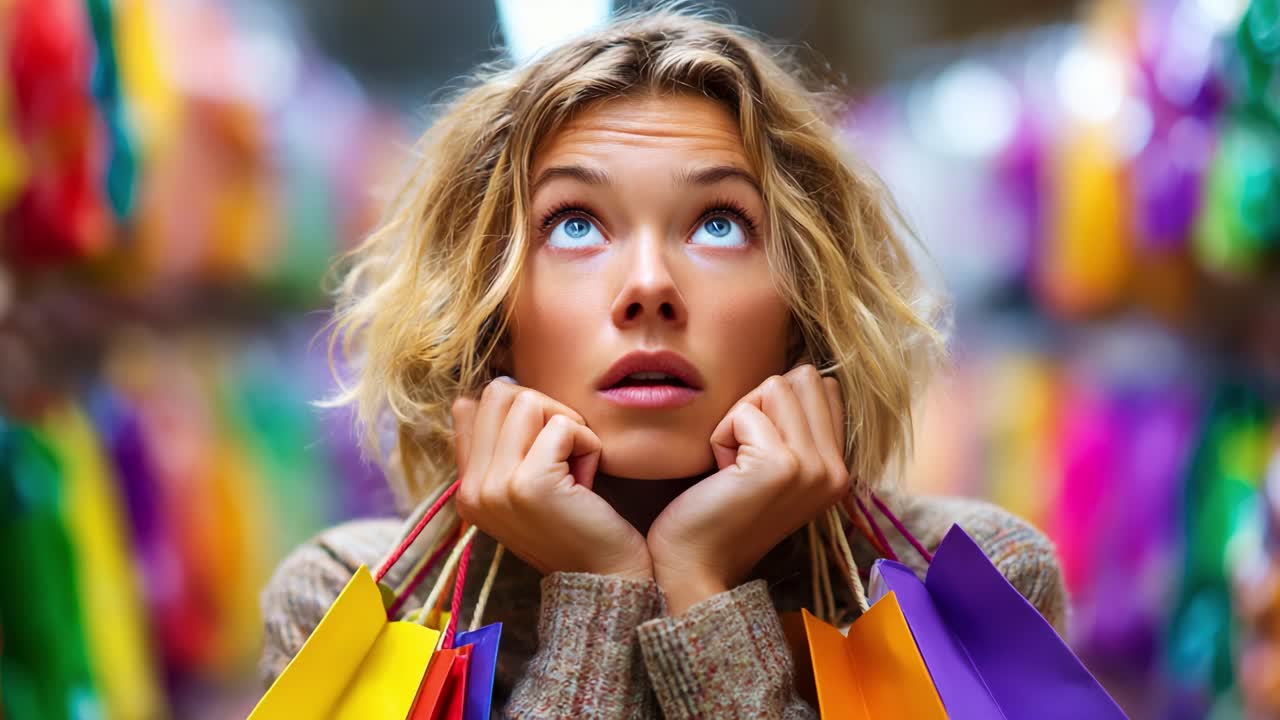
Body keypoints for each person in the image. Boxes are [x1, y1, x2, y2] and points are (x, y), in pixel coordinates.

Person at [258, 9, 1067, 718]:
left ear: (804, 309)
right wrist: (601, 592)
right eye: (575, 226)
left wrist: (701, 584)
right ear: (491, 315)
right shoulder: (358, 601)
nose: (649, 287)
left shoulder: (968, 588)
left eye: (719, 224)